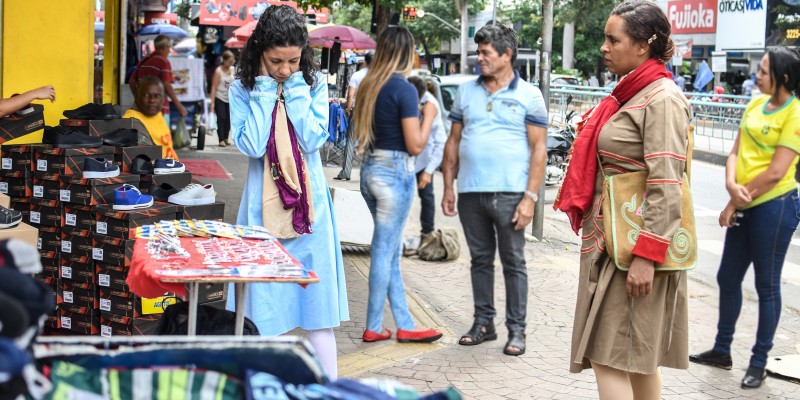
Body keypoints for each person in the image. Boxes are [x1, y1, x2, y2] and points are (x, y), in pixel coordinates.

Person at [553, 1, 692, 398]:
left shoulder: (661, 99)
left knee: (609, 355)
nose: (604, 47)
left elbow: (668, 184)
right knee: (631, 358)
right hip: (615, 243)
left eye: (613, 39)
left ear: (643, 45)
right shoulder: (632, 93)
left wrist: (647, 258)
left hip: (634, 249)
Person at [226, 5, 348, 380]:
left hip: (309, 215)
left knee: (317, 312)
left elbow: (313, 138)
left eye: (293, 60)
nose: (284, 69)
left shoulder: (310, 83)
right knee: (259, 310)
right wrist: (265, 91)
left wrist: (293, 89)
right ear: (260, 50)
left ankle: (327, 389)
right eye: (276, 61)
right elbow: (251, 145)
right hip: (261, 216)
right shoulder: (241, 87)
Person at [690, 47, 800, 389]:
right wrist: (729, 184)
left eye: (764, 71)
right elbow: (735, 151)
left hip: (775, 205)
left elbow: (777, 171)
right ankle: (722, 350)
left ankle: (759, 360)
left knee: (766, 286)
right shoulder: (754, 103)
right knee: (727, 277)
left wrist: (735, 201)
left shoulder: (794, 114)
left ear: (783, 77)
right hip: (744, 200)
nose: (757, 76)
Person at [441, 24, 548, 357]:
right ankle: (484, 323)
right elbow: (454, 141)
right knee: (480, 261)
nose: (480, 58)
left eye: (486, 53)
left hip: (511, 194)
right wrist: (448, 185)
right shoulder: (466, 92)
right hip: (471, 192)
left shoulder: (529, 95)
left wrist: (530, 199)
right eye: (479, 52)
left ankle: (517, 331)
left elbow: (539, 150)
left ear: (507, 55)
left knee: (514, 262)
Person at [352, 26, 443, 344]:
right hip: (394, 175)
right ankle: (375, 325)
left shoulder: (368, 86)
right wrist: (429, 114)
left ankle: (402, 321)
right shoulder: (404, 89)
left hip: (369, 172)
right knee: (383, 253)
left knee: (387, 252)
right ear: (407, 52)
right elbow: (416, 144)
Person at [407, 76, 446, 240]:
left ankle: (427, 234)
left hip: (424, 159)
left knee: (427, 196)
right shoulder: (406, 100)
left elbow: (440, 141)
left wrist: (429, 171)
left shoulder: (431, 105)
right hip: (405, 157)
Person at [129, 34, 188, 126]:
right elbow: (166, 85)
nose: (169, 51)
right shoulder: (163, 62)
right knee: (160, 138)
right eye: (169, 48)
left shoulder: (144, 60)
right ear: (164, 48)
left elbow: (132, 81)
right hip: (159, 110)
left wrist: (138, 97)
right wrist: (180, 107)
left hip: (141, 108)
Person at [334, 52, 372, 181]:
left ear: (364, 62)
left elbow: (350, 95)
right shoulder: (378, 76)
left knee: (350, 140)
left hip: (358, 110)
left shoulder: (357, 75)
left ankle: (345, 172)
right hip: (373, 111)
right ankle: (369, 175)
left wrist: (349, 109)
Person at [123, 76, 179, 160]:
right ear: (136, 96)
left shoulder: (157, 114)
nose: (152, 100)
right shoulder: (131, 120)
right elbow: (147, 158)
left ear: (163, 98)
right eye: (146, 95)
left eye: (157, 96)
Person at [209, 50, 235, 147]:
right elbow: (214, 87)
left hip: (230, 98)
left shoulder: (232, 69)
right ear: (224, 60)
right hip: (219, 97)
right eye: (229, 61)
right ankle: (221, 139)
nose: (231, 63)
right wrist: (212, 103)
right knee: (221, 117)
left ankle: (226, 137)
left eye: (232, 61)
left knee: (228, 119)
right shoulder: (218, 71)